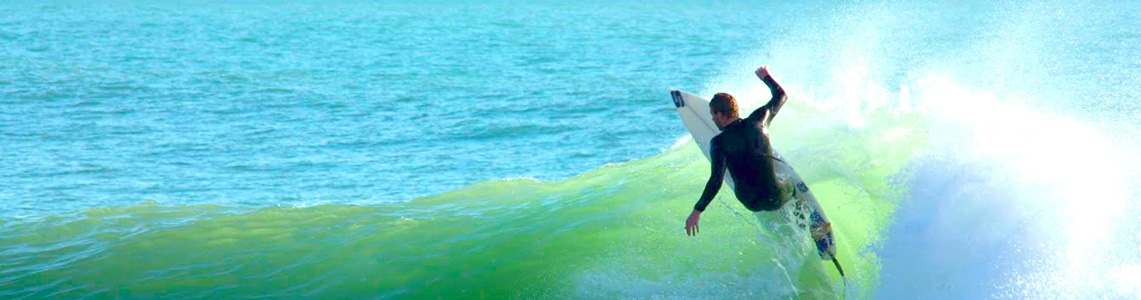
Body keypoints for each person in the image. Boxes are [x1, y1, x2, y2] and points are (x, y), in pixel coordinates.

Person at [684, 65, 792, 237]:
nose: (712, 119)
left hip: (751, 203)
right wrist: (766, 77)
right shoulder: (759, 121)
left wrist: (697, 211)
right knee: (790, 186)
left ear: (720, 114)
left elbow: (716, 180)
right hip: (775, 196)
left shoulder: (718, 143)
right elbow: (781, 95)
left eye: (713, 114)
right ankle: (806, 218)